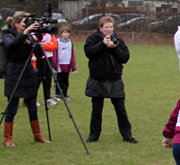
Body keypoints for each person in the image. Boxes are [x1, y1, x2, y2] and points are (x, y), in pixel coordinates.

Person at [84, 16, 137, 144]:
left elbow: (125, 58)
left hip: (114, 79)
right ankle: (94, 135)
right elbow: (89, 53)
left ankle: (127, 135)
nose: (109, 29)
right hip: (98, 79)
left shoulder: (118, 40)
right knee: (97, 109)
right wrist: (102, 44)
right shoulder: (92, 39)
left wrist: (114, 48)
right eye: (106, 27)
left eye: (111, 27)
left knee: (120, 109)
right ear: (100, 28)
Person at [2, 11, 51, 147]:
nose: (27, 26)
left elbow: (39, 53)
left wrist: (34, 41)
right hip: (14, 73)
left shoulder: (29, 37)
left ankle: (37, 135)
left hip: (28, 72)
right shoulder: (7, 34)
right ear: (17, 24)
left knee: (32, 107)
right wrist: (23, 35)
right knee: (12, 107)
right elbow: (10, 45)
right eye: (24, 23)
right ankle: (8, 138)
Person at [36, 23, 58, 106]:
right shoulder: (37, 33)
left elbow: (55, 46)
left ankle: (48, 98)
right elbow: (37, 45)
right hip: (40, 59)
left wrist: (44, 46)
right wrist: (47, 46)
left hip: (49, 58)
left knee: (48, 79)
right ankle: (34, 98)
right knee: (38, 79)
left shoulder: (50, 34)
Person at [52, 26, 77, 100]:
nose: (66, 34)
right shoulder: (57, 42)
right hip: (59, 64)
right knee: (58, 80)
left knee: (65, 80)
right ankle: (57, 94)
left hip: (67, 64)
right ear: (61, 33)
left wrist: (73, 65)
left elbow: (72, 53)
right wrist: (55, 64)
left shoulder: (70, 42)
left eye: (68, 33)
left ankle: (65, 94)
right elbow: (55, 53)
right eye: (65, 32)